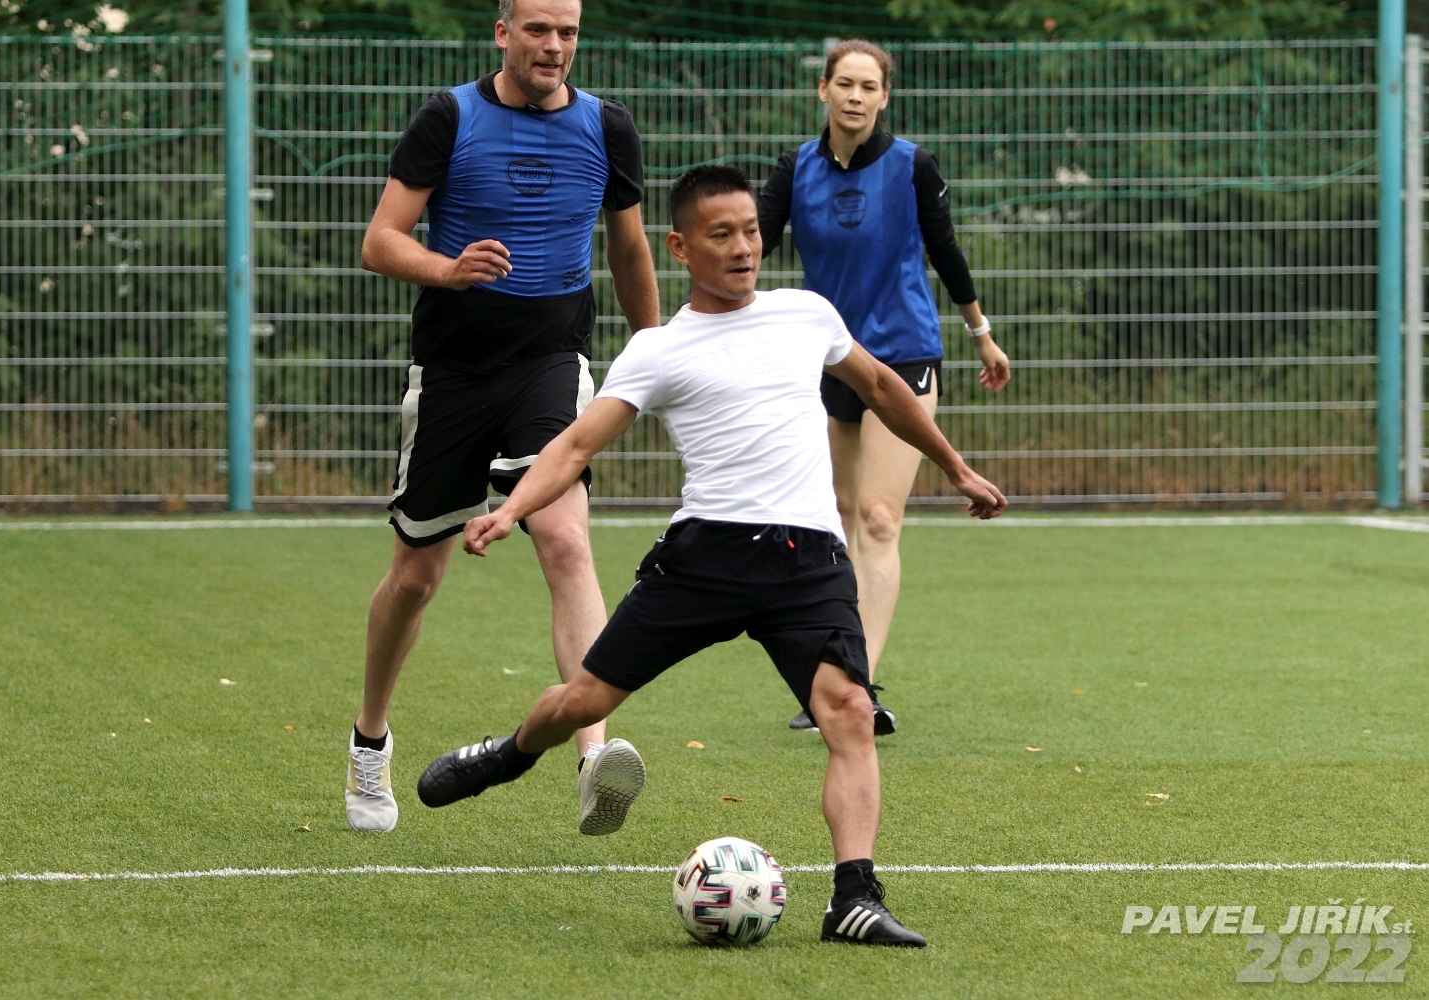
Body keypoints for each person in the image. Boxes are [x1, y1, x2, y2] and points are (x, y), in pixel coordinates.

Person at [414, 166, 1006, 944]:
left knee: (850, 712)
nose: (742, 248)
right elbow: (576, 444)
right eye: (720, 235)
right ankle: (511, 755)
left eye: (751, 232)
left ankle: (853, 898)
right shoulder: (658, 349)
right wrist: (510, 509)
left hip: (806, 560)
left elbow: (881, 387)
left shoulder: (806, 314)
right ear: (680, 247)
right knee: (583, 701)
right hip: (704, 560)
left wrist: (954, 466)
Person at [347, 0, 660, 834]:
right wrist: (447, 269)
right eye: (537, 30)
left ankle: (594, 756)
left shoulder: (608, 127)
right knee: (415, 579)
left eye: (567, 32)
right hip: (451, 373)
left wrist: (658, 352)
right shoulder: (448, 118)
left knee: (564, 537)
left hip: (551, 362)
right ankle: (370, 737)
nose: (554, 46)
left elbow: (628, 247)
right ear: (503, 33)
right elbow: (380, 241)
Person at [758, 39, 1011, 734]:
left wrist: (980, 333)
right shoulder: (795, 168)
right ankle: (830, 677)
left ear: (884, 97)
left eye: (869, 86)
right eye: (845, 83)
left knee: (876, 517)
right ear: (823, 90)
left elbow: (945, 248)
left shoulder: (910, 165)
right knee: (833, 520)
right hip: (829, 359)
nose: (855, 96)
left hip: (902, 356)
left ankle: (855, 688)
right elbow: (750, 246)